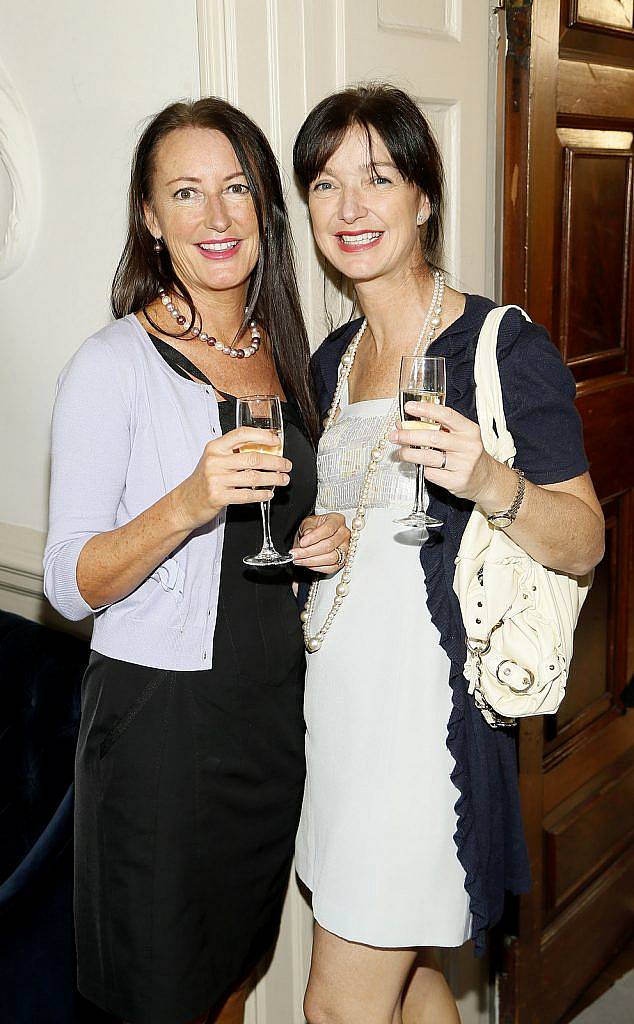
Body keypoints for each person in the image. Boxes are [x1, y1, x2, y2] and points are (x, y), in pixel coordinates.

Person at [290, 84, 605, 1024]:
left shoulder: (504, 347)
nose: (350, 209)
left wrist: (488, 480)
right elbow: (368, 535)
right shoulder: (332, 358)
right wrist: (328, 538)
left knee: (339, 1007)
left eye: (377, 178)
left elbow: (586, 539)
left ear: (423, 197)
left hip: (425, 727)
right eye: (325, 184)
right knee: (413, 972)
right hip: (340, 711)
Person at [43, 97, 348, 1024]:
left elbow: (261, 550)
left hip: (267, 725)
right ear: (149, 215)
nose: (216, 219)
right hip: (163, 739)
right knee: (160, 994)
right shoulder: (114, 365)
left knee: (230, 981)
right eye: (186, 193)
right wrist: (188, 500)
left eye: (237, 190)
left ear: (264, 207)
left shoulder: (284, 353)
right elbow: (67, 580)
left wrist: (309, 549)